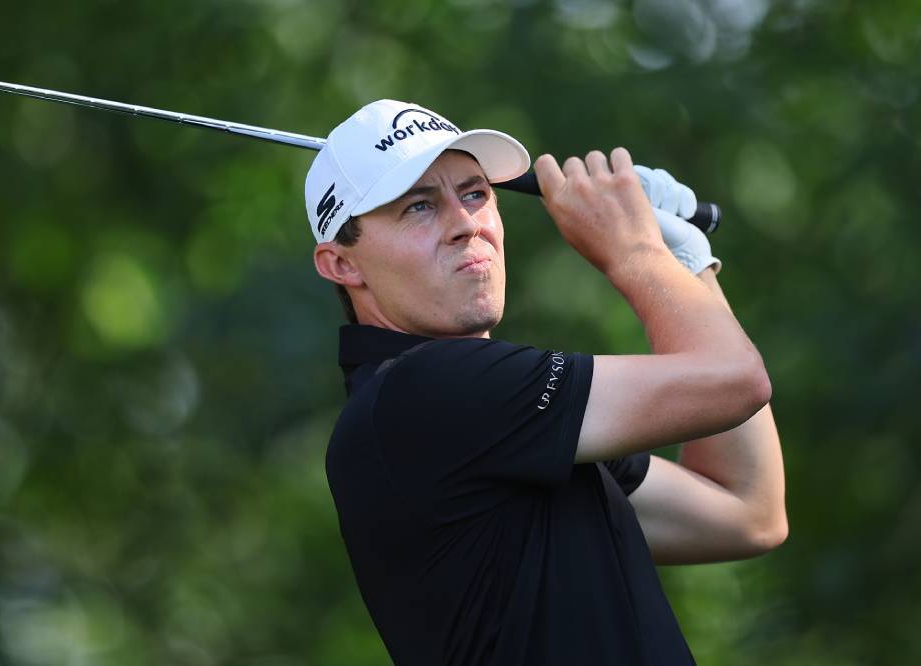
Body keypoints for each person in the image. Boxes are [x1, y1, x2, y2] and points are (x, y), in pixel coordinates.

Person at [305, 99, 786, 665]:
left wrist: (687, 266)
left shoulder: (491, 419)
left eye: (475, 193)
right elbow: (735, 381)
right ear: (342, 264)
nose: (466, 224)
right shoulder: (425, 390)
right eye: (419, 206)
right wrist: (637, 251)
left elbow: (747, 513)